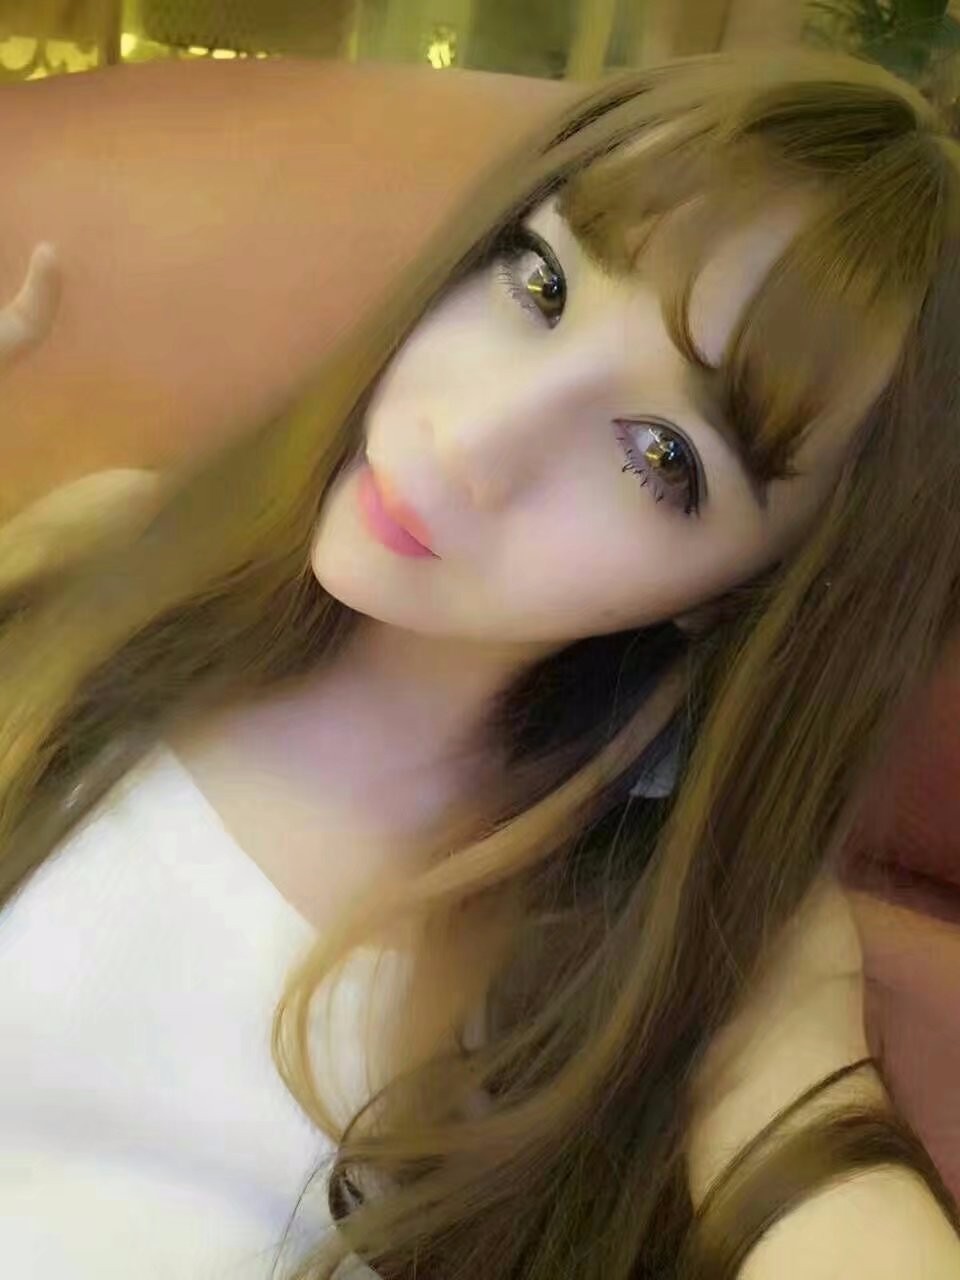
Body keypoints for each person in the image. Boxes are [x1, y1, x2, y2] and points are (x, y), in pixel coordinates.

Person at [0, 46, 959, 1280]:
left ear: (745, 596)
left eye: (660, 457)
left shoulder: (690, 926)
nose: (473, 436)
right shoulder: (110, 556)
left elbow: (826, 1194)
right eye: (539, 279)